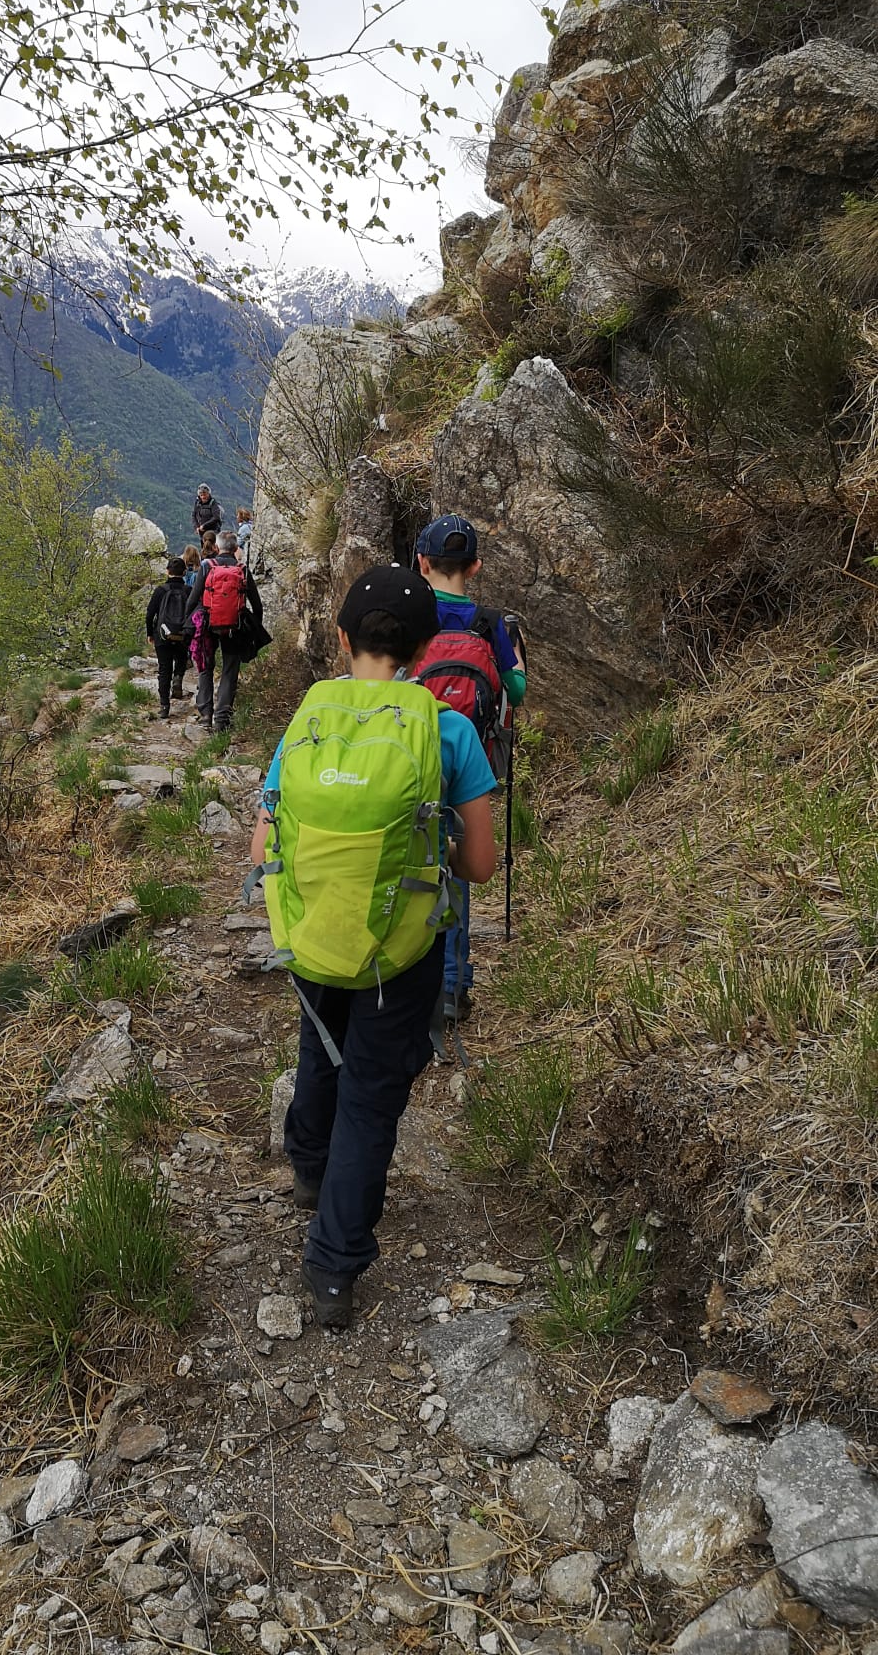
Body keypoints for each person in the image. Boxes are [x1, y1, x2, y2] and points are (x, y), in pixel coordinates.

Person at [250, 565, 497, 1327]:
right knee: (372, 1094)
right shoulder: (445, 729)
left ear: (341, 638)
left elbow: (264, 842)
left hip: (313, 926)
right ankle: (332, 1267)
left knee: (319, 1042)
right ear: (426, 648)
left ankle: (307, 1164)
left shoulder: (309, 720)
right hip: (400, 946)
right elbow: (480, 866)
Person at [413, 514, 526, 1023]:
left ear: (422, 563)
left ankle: (406, 970)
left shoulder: (411, 614)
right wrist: (516, 660)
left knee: (411, 852)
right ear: (475, 567)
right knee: (455, 860)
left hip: (409, 756)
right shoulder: (489, 622)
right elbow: (516, 691)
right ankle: (453, 986)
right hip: (470, 756)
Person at [184, 528, 262, 733]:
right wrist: (254, 628)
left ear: (217, 548)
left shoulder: (207, 566)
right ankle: (222, 719)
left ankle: (205, 714)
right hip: (234, 626)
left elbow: (193, 598)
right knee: (229, 670)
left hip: (208, 624)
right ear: (236, 548)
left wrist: (187, 623)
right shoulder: (242, 569)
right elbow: (256, 603)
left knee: (205, 666)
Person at [144, 557, 191, 720]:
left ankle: (164, 706)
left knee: (164, 669)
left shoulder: (160, 590)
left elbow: (150, 614)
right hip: (183, 633)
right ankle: (178, 677)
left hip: (163, 634)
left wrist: (150, 633)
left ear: (167, 571)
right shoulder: (188, 590)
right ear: (184, 572)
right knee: (181, 658)